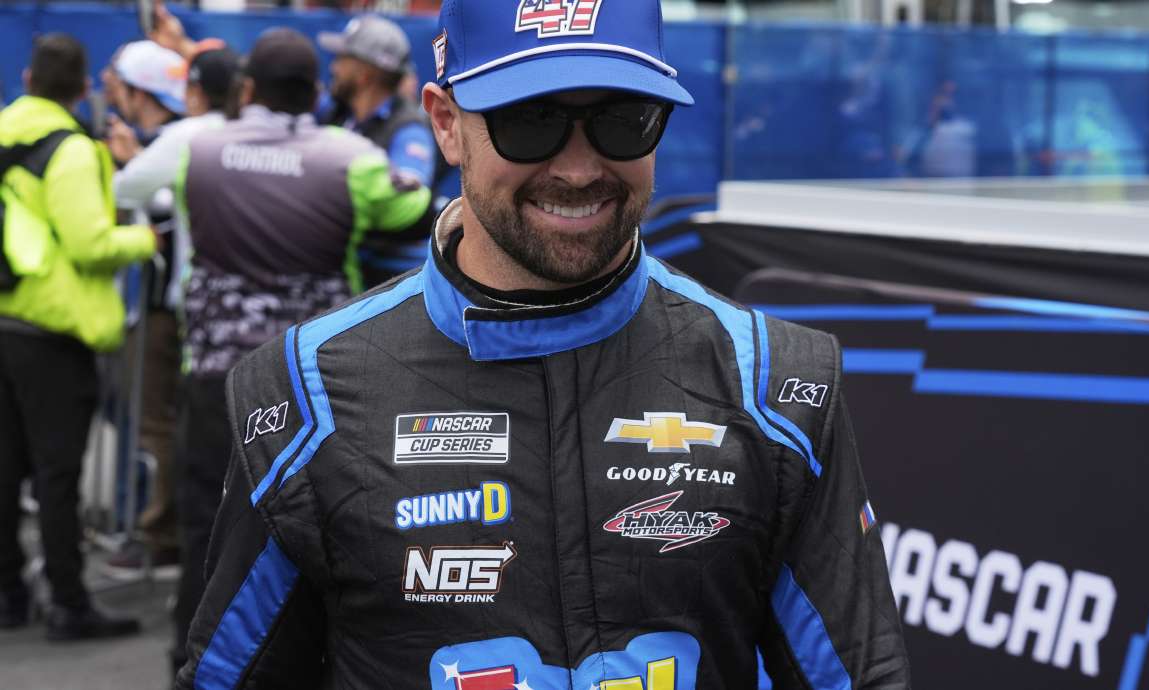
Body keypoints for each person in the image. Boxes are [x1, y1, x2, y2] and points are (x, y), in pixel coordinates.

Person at [176, 2, 910, 688]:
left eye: (623, 119)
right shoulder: (304, 396)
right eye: (531, 119)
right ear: (446, 122)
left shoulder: (776, 383)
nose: (580, 167)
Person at [170, 27, 430, 678]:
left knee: (207, 516)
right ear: (313, 91)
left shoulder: (196, 147)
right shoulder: (346, 154)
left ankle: (192, 655)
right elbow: (414, 206)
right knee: (315, 519)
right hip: (309, 373)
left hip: (215, 364)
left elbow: (155, 204)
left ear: (247, 88)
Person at [0, 33, 156, 640]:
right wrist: (146, 242)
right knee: (56, 474)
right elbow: (91, 244)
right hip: (53, 331)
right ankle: (69, 603)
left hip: (6, 320)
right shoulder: (71, 149)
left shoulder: (6, 130)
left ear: (28, 77)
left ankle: (10, 593)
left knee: (6, 468)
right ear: (84, 87)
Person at [102, 45, 241, 581]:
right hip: (264, 308)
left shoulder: (186, 136)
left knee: (187, 430)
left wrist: (127, 156)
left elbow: (126, 188)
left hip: (201, 310)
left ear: (195, 92)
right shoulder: (256, 135)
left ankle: (176, 548)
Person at [317, 14, 449, 285]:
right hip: (346, 264)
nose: (334, 67)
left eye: (343, 59)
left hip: (385, 278)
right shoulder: (337, 112)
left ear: (365, 74)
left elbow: (405, 201)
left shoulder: (408, 129)